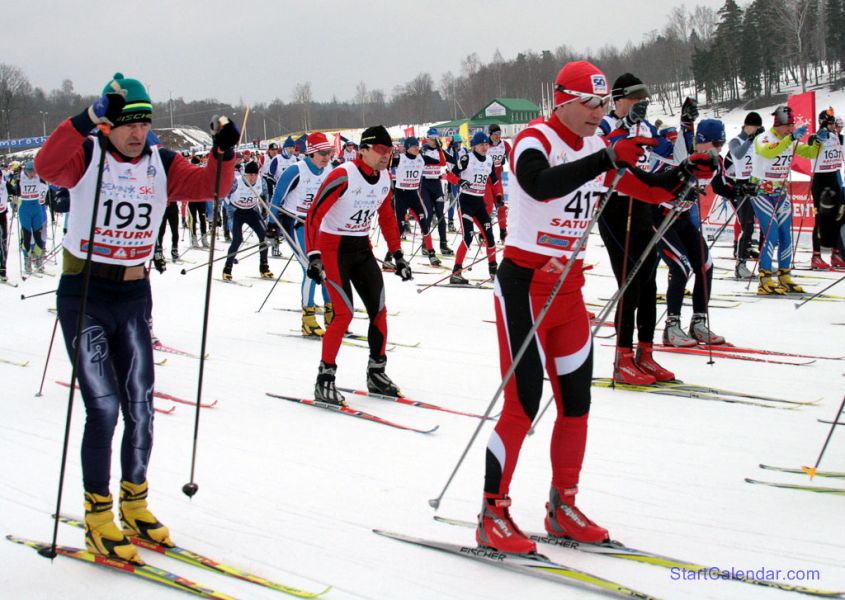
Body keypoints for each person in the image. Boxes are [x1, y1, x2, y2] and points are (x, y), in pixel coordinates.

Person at [475, 60, 714, 554]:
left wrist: (685, 176)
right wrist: (608, 159)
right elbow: (541, 184)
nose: (599, 113)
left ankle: (563, 504)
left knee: (577, 404)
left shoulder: (594, 145)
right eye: (591, 103)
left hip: (568, 292)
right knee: (522, 404)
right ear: (562, 100)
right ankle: (492, 512)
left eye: (605, 104)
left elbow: (646, 189)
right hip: (523, 286)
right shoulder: (535, 139)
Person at [34, 72, 237, 564]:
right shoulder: (89, 154)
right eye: (126, 123)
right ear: (109, 125)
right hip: (85, 294)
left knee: (141, 406)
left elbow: (211, 187)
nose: (136, 133)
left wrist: (224, 153)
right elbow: (46, 166)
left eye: (143, 123)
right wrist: (86, 118)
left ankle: (135, 502)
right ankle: (98, 515)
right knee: (102, 407)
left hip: (133, 294)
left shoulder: (161, 162)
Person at [304, 125, 412, 406]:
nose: (385, 156)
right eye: (379, 150)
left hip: (361, 248)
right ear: (362, 150)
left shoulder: (385, 178)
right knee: (343, 314)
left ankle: (377, 372)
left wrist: (397, 253)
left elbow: (387, 215)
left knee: (379, 310)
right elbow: (314, 215)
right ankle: (324, 380)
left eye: (389, 151)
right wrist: (313, 255)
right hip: (333, 249)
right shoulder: (342, 175)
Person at [597, 73, 676, 383]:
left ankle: (646, 353)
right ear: (618, 100)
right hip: (615, 207)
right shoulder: (603, 124)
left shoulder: (645, 126)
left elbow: (665, 155)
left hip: (642, 205)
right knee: (629, 282)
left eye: (644, 101)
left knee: (648, 283)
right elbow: (600, 154)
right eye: (634, 100)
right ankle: (622, 357)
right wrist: (624, 131)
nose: (640, 105)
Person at [658, 119, 732, 347]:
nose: (719, 148)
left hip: (681, 218)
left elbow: (719, 185)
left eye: (723, 142)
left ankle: (698, 323)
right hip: (660, 217)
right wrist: (679, 191)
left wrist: (739, 190)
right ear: (701, 141)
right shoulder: (681, 155)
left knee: (705, 265)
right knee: (681, 267)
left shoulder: (716, 161)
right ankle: (671, 327)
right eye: (716, 142)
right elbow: (658, 182)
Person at [270, 131, 334, 335]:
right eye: (323, 153)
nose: (327, 157)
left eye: (329, 153)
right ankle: (308, 319)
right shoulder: (295, 171)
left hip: (318, 225)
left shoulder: (329, 169)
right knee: (310, 267)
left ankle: (330, 313)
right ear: (312, 153)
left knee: (328, 268)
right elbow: (277, 198)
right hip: (295, 223)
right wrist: (272, 226)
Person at [751, 106, 818, 294]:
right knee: (771, 234)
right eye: (788, 125)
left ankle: (784, 275)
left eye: (792, 126)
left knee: (785, 235)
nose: (791, 129)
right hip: (761, 192)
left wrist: (818, 141)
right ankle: (764, 277)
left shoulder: (789, 140)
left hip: (780, 193)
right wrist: (791, 138)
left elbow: (811, 153)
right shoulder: (764, 138)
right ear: (778, 124)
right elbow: (768, 152)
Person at [447, 132, 501, 284]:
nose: (484, 147)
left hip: (479, 204)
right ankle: (456, 272)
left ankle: (493, 271)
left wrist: (498, 196)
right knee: (468, 236)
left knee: (490, 236)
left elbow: (495, 182)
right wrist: (460, 181)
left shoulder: (489, 160)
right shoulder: (467, 159)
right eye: (481, 145)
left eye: (486, 144)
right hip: (466, 203)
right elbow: (450, 175)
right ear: (474, 146)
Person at [384, 136, 442, 268]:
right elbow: (387, 163)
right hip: (401, 195)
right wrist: (389, 153)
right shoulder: (401, 158)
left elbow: (440, 162)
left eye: (418, 146)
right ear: (407, 148)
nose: (417, 148)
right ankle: (389, 257)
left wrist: (439, 149)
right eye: (413, 146)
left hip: (414, 194)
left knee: (424, 224)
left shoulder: (422, 158)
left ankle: (431, 254)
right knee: (399, 228)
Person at [725, 112, 764, 278]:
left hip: (757, 184)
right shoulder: (737, 140)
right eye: (754, 126)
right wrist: (750, 139)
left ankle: (764, 261)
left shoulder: (757, 141)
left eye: (757, 127)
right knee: (747, 226)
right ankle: (740, 264)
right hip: (742, 185)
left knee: (764, 224)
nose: (755, 130)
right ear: (747, 125)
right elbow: (738, 154)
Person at [222, 161, 272, 280]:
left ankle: (264, 267)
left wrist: (265, 208)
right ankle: (227, 268)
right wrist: (227, 211)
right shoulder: (236, 181)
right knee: (238, 239)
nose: (252, 177)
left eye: (255, 174)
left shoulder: (261, 181)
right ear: (245, 174)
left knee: (264, 236)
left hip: (252, 211)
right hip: (236, 212)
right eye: (250, 175)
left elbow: (266, 195)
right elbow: (224, 196)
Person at [809, 108, 845, 269]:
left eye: (834, 124)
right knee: (821, 219)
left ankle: (836, 254)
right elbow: (811, 143)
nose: (834, 127)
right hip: (821, 180)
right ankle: (816, 255)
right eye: (831, 124)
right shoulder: (816, 137)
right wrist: (818, 137)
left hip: (833, 178)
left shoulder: (838, 137)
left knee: (838, 216)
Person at [419, 128, 453, 256]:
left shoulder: (439, 150)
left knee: (440, 216)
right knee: (427, 216)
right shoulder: (423, 150)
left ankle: (443, 245)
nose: (433, 141)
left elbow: (446, 162)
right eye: (431, 139)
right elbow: (424, 160)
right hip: (425, 184)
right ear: (427, 138)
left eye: (435, 139)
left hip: (437, 184)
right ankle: (425, 245)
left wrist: (440, 150)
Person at [15, 160, 49, 273]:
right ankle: (27, 261)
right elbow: (13, 188)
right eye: (31, 172)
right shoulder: (20, 178)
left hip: (37, 208)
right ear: (26, 170)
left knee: (38, 234)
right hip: (25, 208)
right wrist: (14, 193)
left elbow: (49, 180)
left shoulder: (39, 177)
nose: (33, 175)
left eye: (34, 172)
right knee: (27, 235)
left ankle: (39, 261)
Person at [486, 124, 510, 241]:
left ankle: (503, 232)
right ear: (490, 134)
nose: (497, 137)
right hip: (487, 181)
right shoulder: (485, 144)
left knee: (501, 206)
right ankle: (484, 231)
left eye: (499, 134)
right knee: (489, 206)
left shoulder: (504, 144)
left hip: (498, 180)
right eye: (495, 134)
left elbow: (513, 156)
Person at [444, 134, 467, 232]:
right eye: (457, 143)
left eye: (460, 143)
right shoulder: (448, 151)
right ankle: (450, 222)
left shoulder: (464, 151)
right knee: (454, 200)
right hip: (452, 179)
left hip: (462, 178)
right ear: (453, 144)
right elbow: (451, 163)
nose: (459, 145)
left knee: (462, 201)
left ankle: (464, 224)